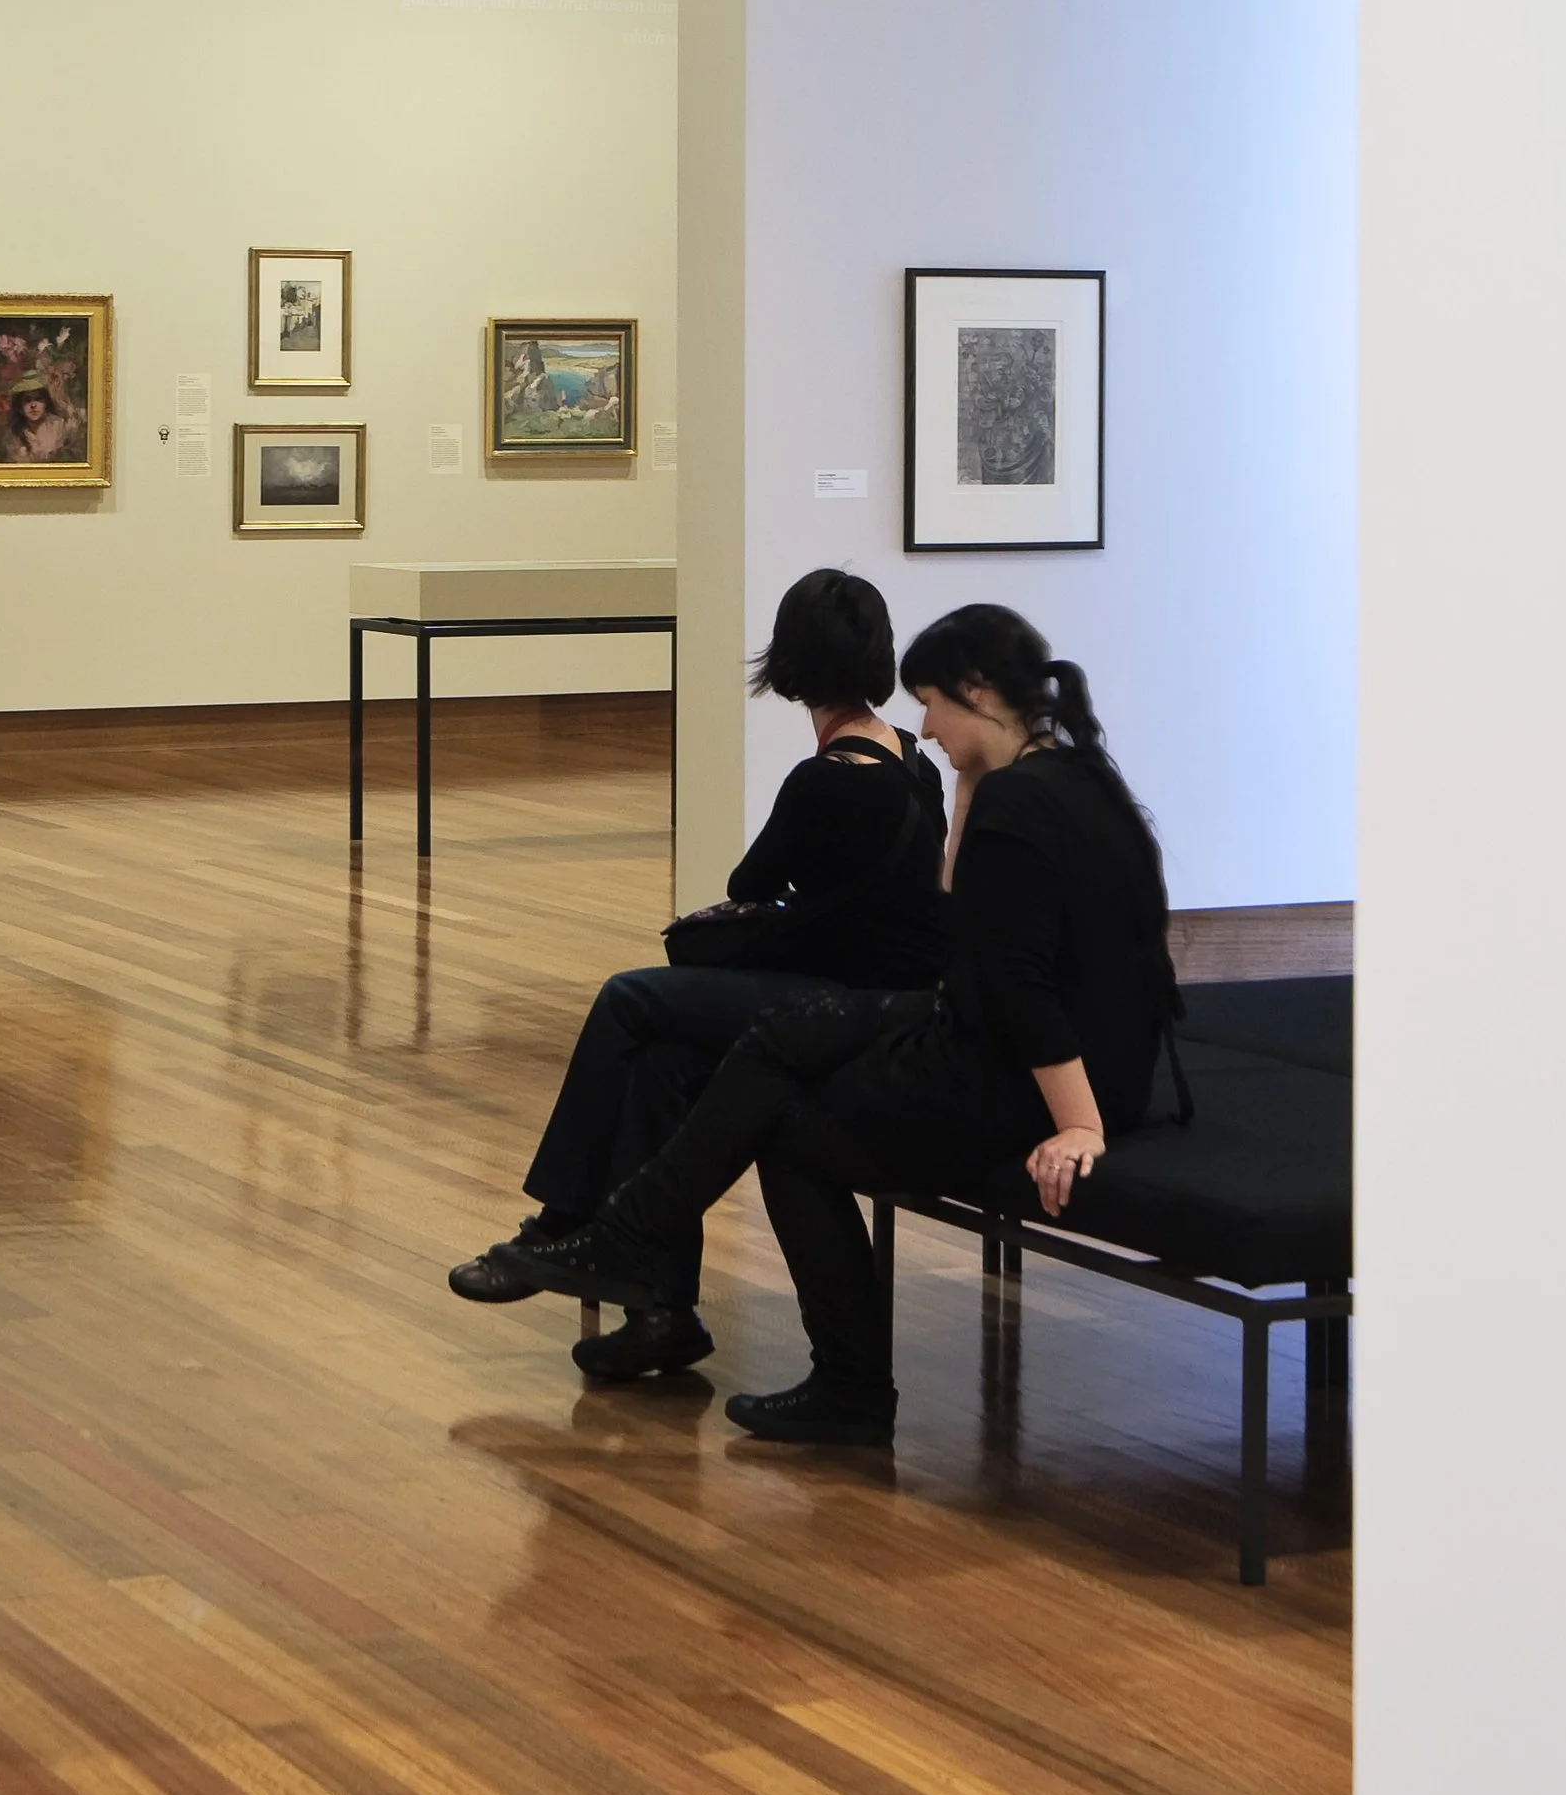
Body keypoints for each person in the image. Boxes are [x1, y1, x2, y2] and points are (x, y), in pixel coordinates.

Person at [479, 604, 1178, 1446]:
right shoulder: (1076, 778)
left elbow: (1020, 986)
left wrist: (1080, 1124)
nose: (927, 727)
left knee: (788, 1124)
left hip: (1015, 1074)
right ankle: (634, 1243)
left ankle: (835, 1373)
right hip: (1075, 1055)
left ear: (978, 691)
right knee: (773, 1038)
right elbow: (969, 914)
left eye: (935, 705)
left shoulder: (1017, 805)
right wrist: (969, 781)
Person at [447, 569, 946, 1383]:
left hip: (834, 1005)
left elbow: (750, 882)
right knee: (662, 1063)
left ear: (792, 660)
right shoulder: (916, 765)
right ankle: (660, 1314)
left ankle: (561, 1219)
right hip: (876, 996)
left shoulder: (826, 778)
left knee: (630, 996)